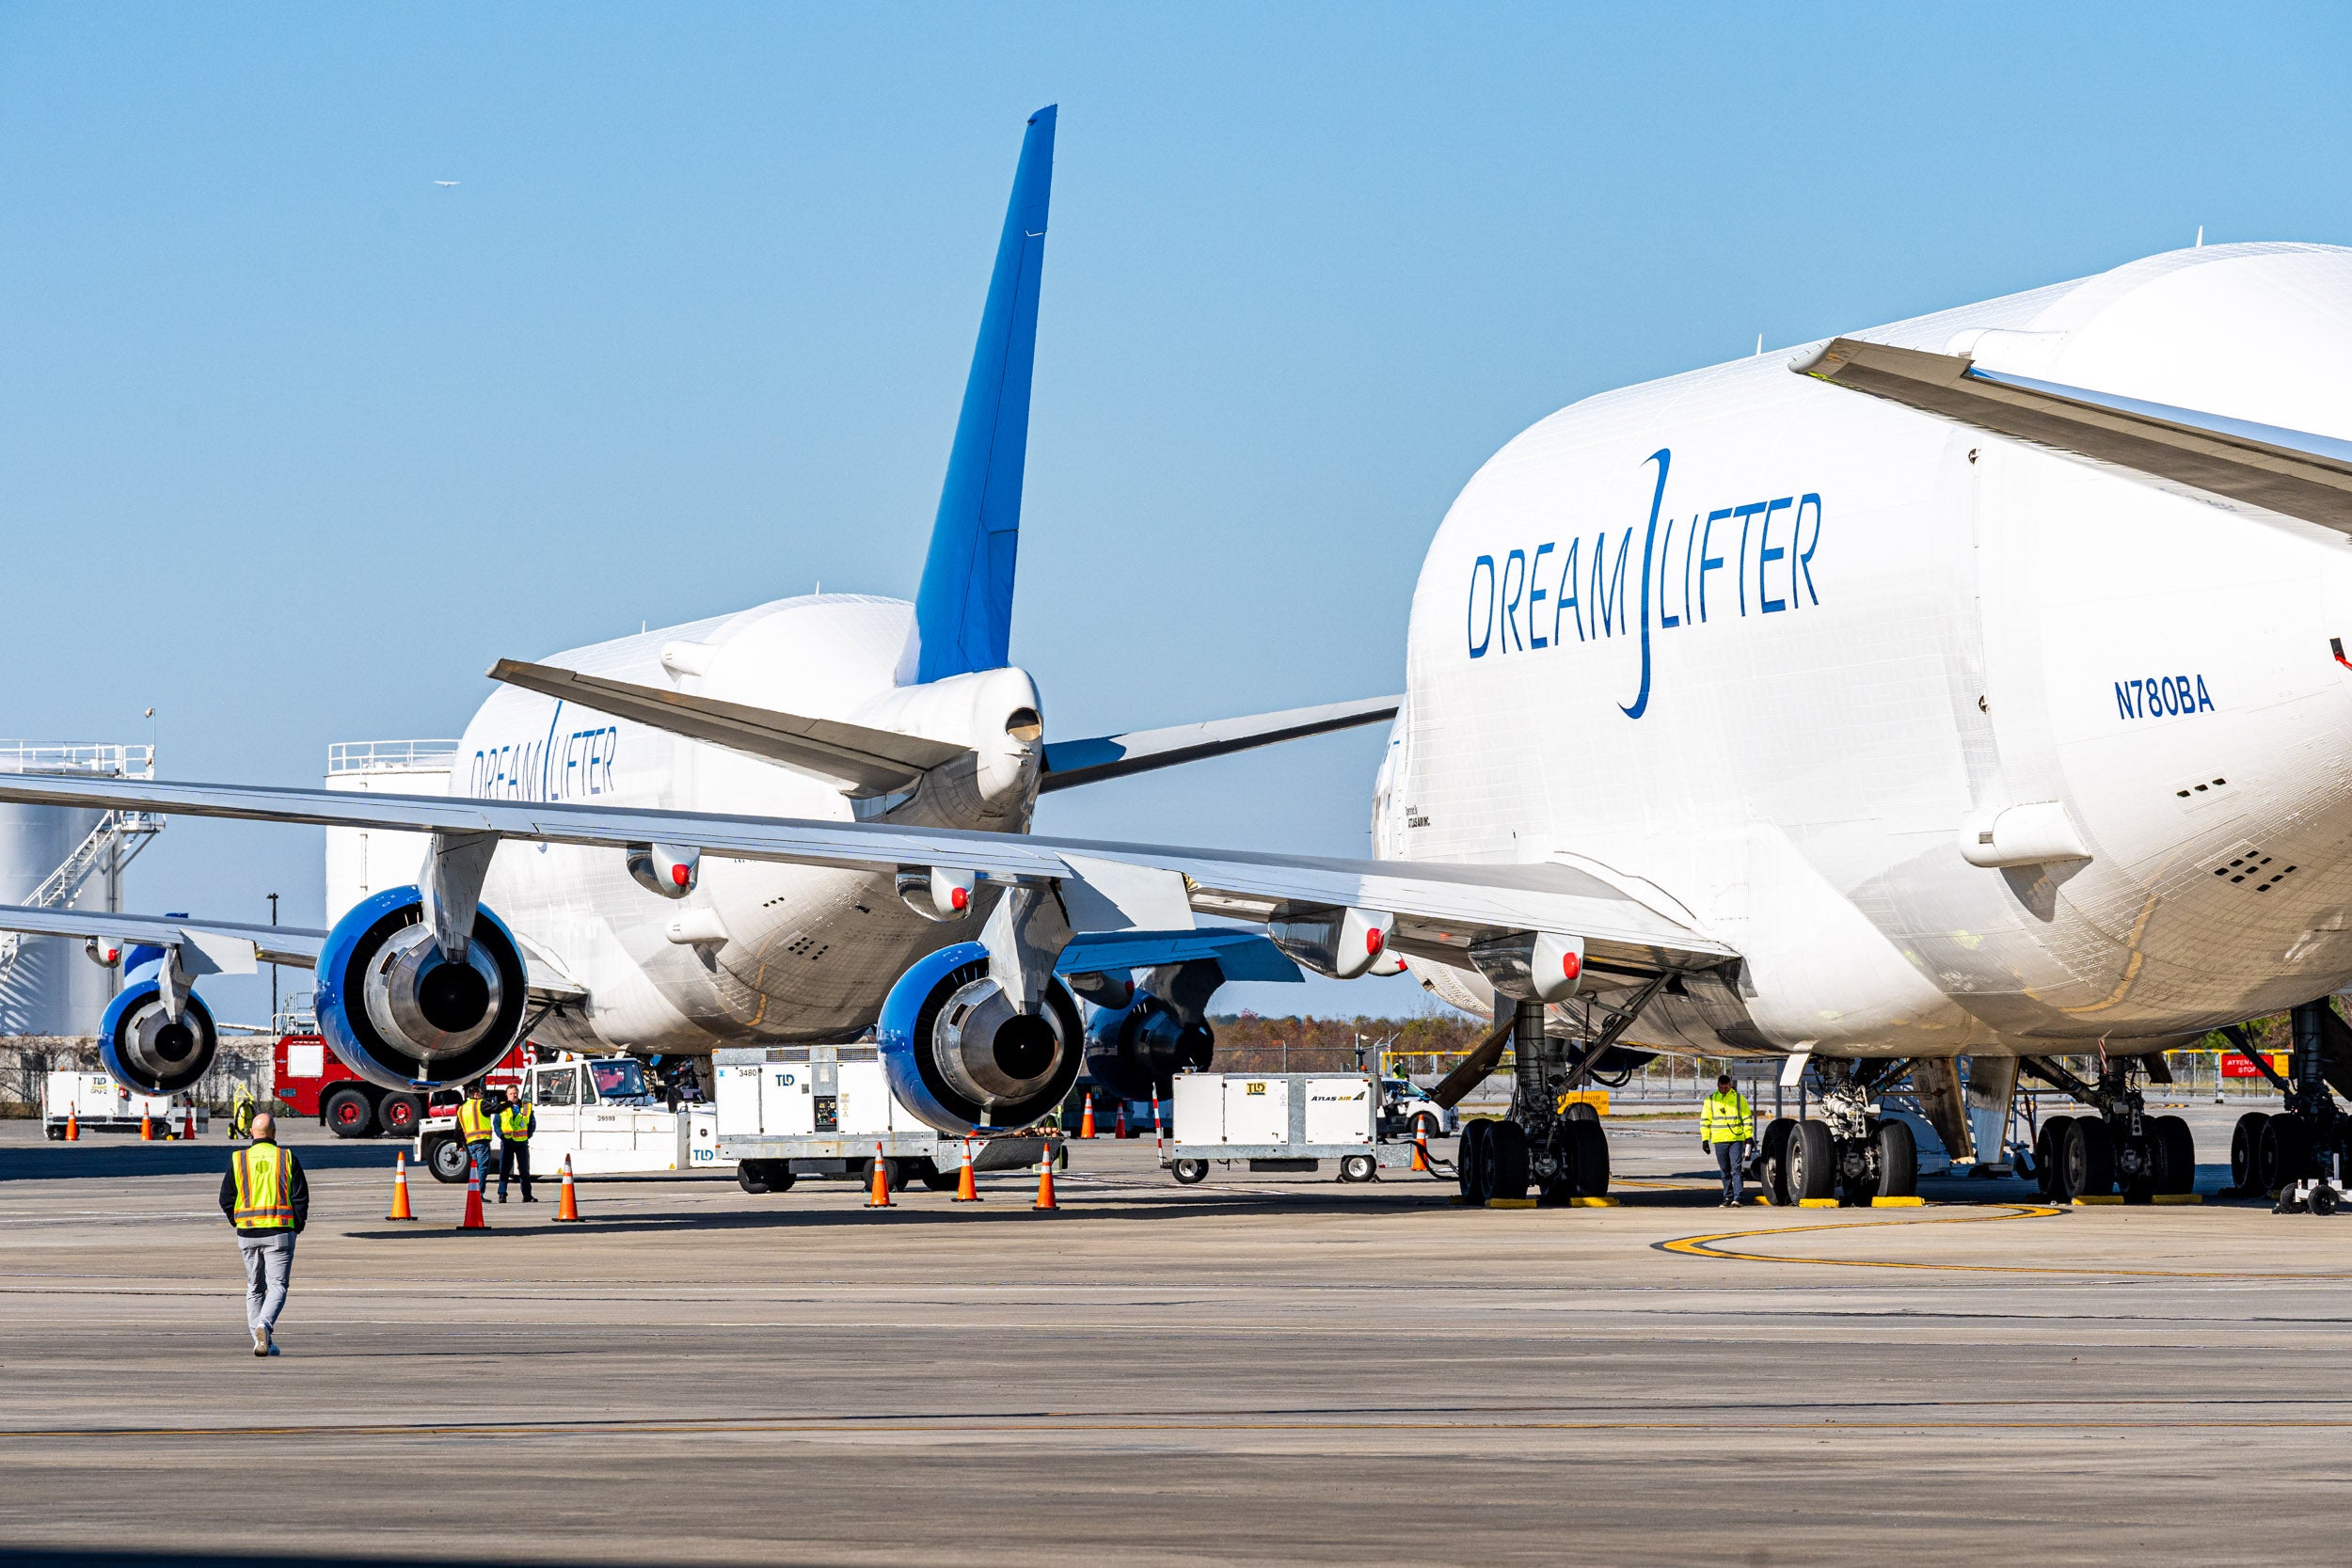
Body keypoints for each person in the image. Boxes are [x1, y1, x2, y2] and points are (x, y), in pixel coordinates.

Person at [219, 1110, 307, 1355]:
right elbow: (300, 1197)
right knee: (278, 1286)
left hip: (247, 1233)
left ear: (251, 1134)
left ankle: (259, 1340)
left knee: (254, 1287)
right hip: (280, 1232)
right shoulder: (286, 1157)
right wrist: (297, 1226)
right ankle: (264, 1325)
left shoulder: (238, 1159)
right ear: (274, 1134)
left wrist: (237, 1221)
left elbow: (226, 1198)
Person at [1700, 1072, 1756, 1208]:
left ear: (1730, 1086)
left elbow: (1747, 1118)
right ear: (1718, 1086)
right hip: (1719, 1140)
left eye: (1726, 1088)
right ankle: (1727, 1196)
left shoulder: (1738, 1099)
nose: (1723, 1090)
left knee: (1736, 1169)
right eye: (1721, 1088)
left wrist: (1748, 1136)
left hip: (1736, 1138)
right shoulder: (1711, 1100)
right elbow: (1705, 1121)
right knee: (1724, 1170)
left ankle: (1738, 1197)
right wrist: (1705, 1139)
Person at [496, 1089, 536, 1203]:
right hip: (507, 1142)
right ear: (507, 1095)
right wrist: (501, 1135)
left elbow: (532, 1123)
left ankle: (527, 1195)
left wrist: (528, 1135)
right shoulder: (502, 1107)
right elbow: (496, 1123)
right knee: (504, 1170)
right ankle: (502, 1194)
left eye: (515, 1093)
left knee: (524, 1170)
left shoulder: (526, 1106)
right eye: (511, 1093)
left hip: (521, 1143)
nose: (513, 1095)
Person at [456, 1082, 496, 1189]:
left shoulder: (462, 1108)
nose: (483, 1096)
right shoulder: (480, 1104)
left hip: (470, 1143)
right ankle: (479, 1192)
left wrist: (459, 1144)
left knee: (475, 1167)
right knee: (483, 1168)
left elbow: (458, 1129)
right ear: (477, 1095)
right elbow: (496, 1108)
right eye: (481, 1094)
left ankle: (473, 1191)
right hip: (481, 1141)